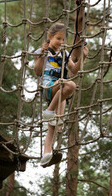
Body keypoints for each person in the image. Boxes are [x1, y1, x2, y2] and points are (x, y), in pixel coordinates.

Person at [34, 23, 88, 167]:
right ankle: (49, 111)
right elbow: (38, 71)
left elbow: (74, 70)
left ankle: (46, 151)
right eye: (58, 38)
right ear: (50, 37)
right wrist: (41, 55)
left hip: (59, 91)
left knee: (56, 122)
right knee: (71, 85)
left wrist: (82, 57)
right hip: (49, 87)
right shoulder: (42, 50)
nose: (61, 42)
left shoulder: (64, 54)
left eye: (64, 40)